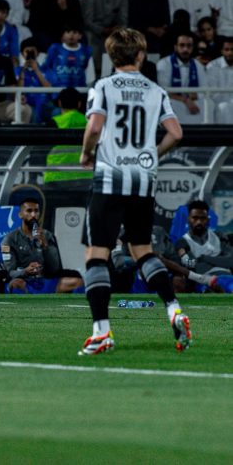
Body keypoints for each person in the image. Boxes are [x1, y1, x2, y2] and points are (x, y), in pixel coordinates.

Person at [78, 28, 189, 355]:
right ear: (141, 55)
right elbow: (176, 132)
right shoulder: (156, 90)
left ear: (112, 56)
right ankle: (173, 308)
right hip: (143, 179)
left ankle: (102, 332)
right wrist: (153, 153)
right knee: (142, 249)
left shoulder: (103, 86)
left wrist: (86, 153)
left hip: (110, 178)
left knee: (96, 253)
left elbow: (95, 126)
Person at [1, 197, 84, 293]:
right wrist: (26, 271)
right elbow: (9, 272)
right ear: (20, 215)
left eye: (36, 211)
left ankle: (69, 306)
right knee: (16, 284)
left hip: (44, 281)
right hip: (24, 281)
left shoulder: (47, 235)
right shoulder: (9, 239)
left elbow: (54, 269)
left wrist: (45, 246)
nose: (33, 214)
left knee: (78, 282)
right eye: (29, 211)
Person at [175, 200, 233, 292]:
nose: (199, 222)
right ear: (188, 219)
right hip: (203, 281)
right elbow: (193, 265)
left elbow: (230, 261)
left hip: (227, 277)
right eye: (195, 218)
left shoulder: (219, 236)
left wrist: (204, 258)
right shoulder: (183, 243)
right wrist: (220, 259)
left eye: (203, 218)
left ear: (208, 219)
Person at [156, 32, 212, 125]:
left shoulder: (198, 65)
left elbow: (205, 88)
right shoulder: (164, 64)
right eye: (182, 45)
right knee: (168, 104)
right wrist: (185, 100)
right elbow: (163, 90)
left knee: (209, 104)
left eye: (189, 46)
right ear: (175, 47)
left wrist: (193, 97)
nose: (185, 49)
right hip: (174, 100)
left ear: (193, 47)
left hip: (193, 100)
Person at [82, 0, 128, 77]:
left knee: (124, 35)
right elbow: (87, 21)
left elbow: (124, 20)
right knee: (90, 37)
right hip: (94, 31)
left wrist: (118, 29)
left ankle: (119, 73)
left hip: (113, 31)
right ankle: (94, 72)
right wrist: (102, 30)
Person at [16, 37, 53, 123]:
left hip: (44, 105)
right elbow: (18, 91)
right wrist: (23, 72)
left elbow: (50, 89)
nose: (30, 54)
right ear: (22, 53)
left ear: (38, 53)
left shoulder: (46, 70)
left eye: (32, 51)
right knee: (33, 113)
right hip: (26, 104)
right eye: (27, 51)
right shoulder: (17, 70)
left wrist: (36, 70)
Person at [42, 24, 91, 89]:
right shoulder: (54, 49)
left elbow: (90, 74)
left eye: (74, 32)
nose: (71, 35)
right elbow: (46, 67)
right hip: (57, 91)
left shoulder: (86, 51)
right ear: (63, 35)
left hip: (79, 91)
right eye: (68, 32)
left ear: (80, 36)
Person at [206, 37, 233, 124]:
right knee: (224, 107)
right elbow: (212, 92)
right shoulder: (212, 66)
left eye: (232, 49)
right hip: (217, 104)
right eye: (227, 49)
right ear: (222, 51)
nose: (230, 52)